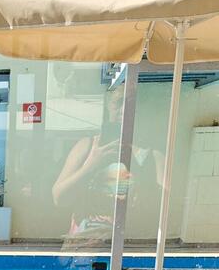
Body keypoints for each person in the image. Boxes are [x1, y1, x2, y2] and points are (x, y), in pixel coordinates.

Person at [52, 87, 163, 249]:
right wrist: (90, 165)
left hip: (128, 246)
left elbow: (162, 214)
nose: (123, 110)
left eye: (131, 105)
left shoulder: (151, 157)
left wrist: (142, 180)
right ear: (108, 106)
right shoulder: (88, 147)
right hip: (83, 245)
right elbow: (59, 198)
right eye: (118, 103)